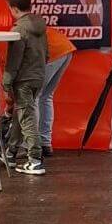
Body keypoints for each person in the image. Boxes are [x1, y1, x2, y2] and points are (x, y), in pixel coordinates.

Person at [2, 0, 48, 176]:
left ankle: (35, 160)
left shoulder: (19, 30)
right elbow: (47, 52)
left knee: (26, 118)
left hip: (24, 79)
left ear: (13, 9)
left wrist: (7, 81)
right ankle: (11, 153)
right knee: (21, 115)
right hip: (38, 76)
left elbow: (14, 60)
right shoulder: (40, 25)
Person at [38, 28, 76, 157]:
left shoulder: (2, 43)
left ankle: (30, 146)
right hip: (65, 48)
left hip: (53, 53)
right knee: (45, 97)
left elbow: (8, 80)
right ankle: (45, 143)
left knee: (34, 98)